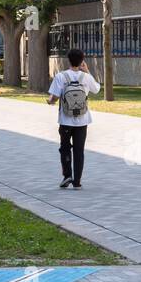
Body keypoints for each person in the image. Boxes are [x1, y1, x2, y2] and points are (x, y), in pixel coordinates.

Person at [47, 48, 99, 189]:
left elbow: (55, 96)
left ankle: (67, 175)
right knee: (79, 150)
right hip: (83, 120)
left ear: (68, 60)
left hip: (65, 120)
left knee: (65, 148)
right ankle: (77, 181)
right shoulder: (86, 77)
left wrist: (50, 101)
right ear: (82, 61)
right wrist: (87, 71)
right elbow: (96, 89)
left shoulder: (61, 76)